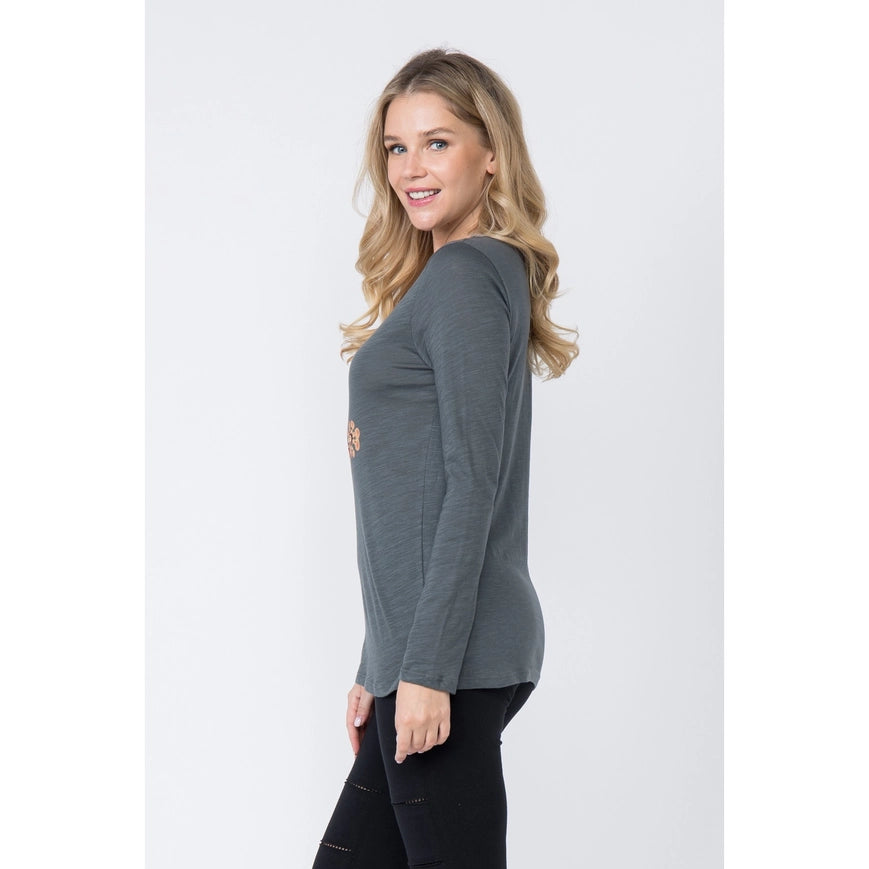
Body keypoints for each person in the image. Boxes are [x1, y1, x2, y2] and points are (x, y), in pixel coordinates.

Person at [312, 48, 579, 868]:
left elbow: (470, 483)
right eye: (397, 147)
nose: (411, 168)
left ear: (490, 153)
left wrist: (422, 670)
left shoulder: (465, 274)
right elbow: (410, 502)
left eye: (437, 142)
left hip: (450, 660)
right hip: (425, 654)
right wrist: (380, 663)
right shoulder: (448, 279)